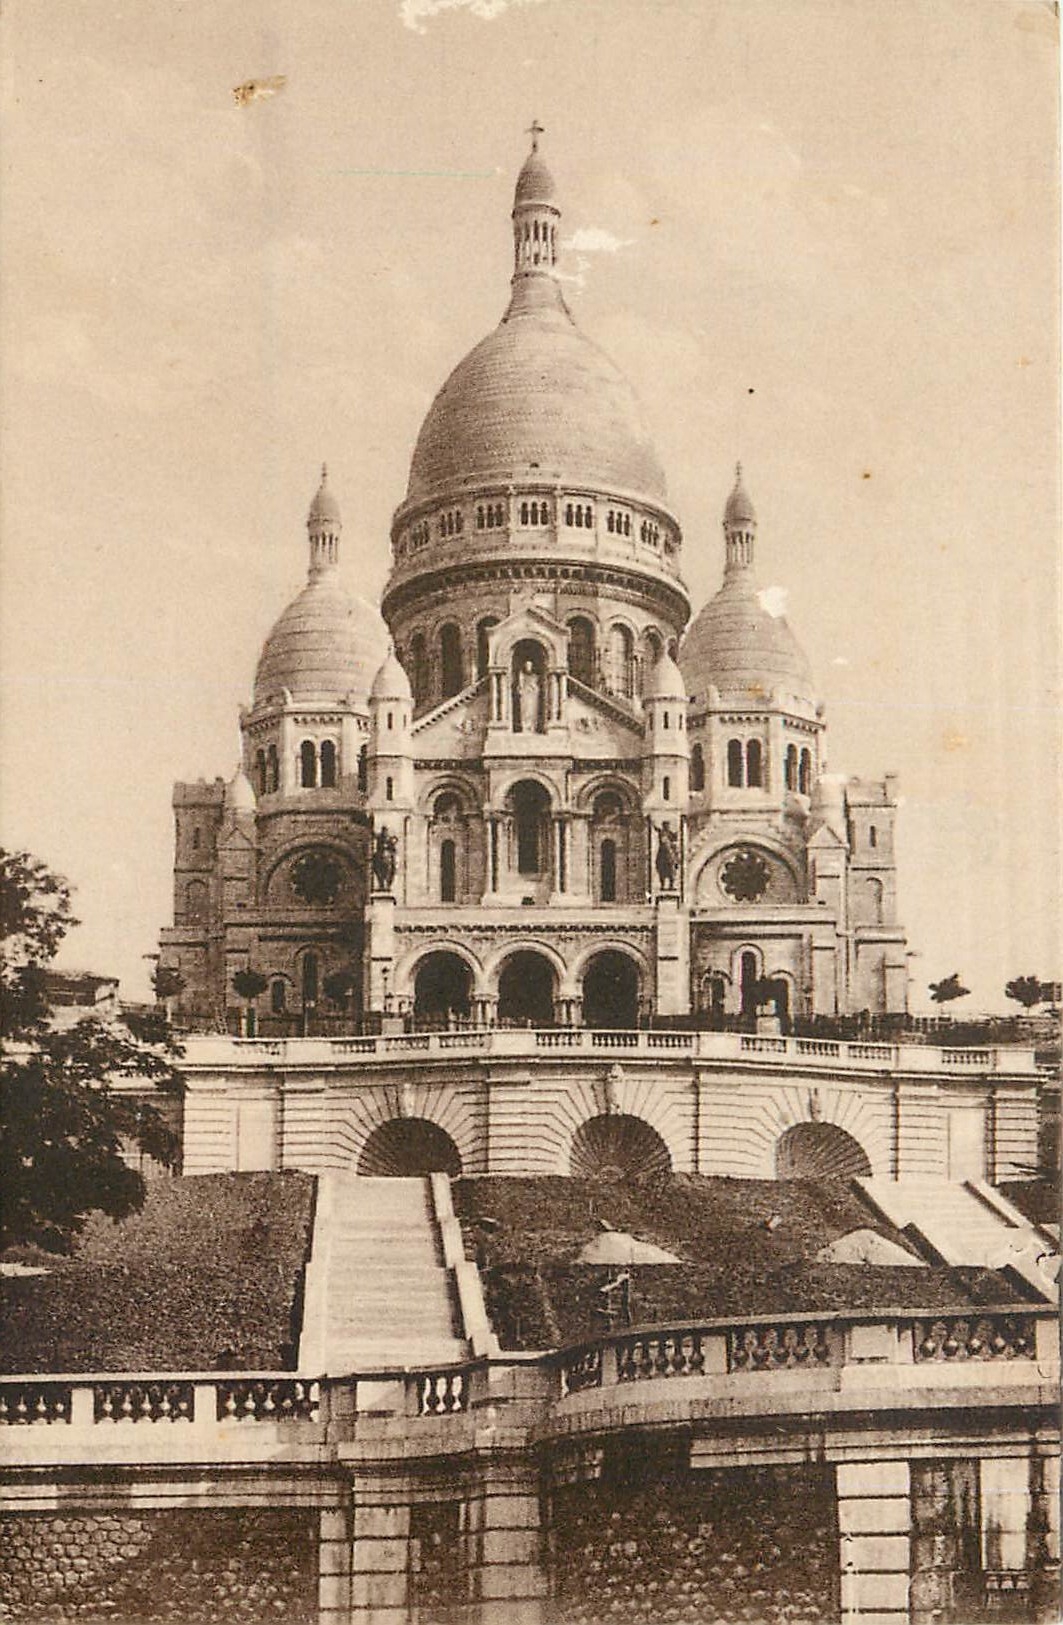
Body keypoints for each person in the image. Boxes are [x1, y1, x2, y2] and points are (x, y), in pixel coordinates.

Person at [515, 659, 542, 732]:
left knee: (532, 711)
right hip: (525, 697)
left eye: (530, 665)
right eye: (527, 665)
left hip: (532, 697)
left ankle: (533, 727)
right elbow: (519, 687)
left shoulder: (535, 676)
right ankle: (525, 727)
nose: (528, 667)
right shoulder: (522, 676)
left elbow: (537, 688)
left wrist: (534, 688)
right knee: (524, 711)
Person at [372, 827, 398, 891]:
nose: (384, 833)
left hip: (388, 858)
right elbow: (374, 835)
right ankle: (381, 884)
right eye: (383, 831)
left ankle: (387, 885)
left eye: (385, 831)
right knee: (377, 869)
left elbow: (395, 840)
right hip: (380, 857)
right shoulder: (379, 837)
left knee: (389, 870)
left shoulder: (389, 839)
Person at [655, 822, 679, 890]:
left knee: (671, 871)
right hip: (663, 855)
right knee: (662, 871)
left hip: (669, 855)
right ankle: (662, 885)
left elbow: (675, 839)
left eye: (667, 825)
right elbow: (656, 829)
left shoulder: (670, 833)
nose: (666, 827)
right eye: (665, 825)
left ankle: (671, 886)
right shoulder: (661, 832)